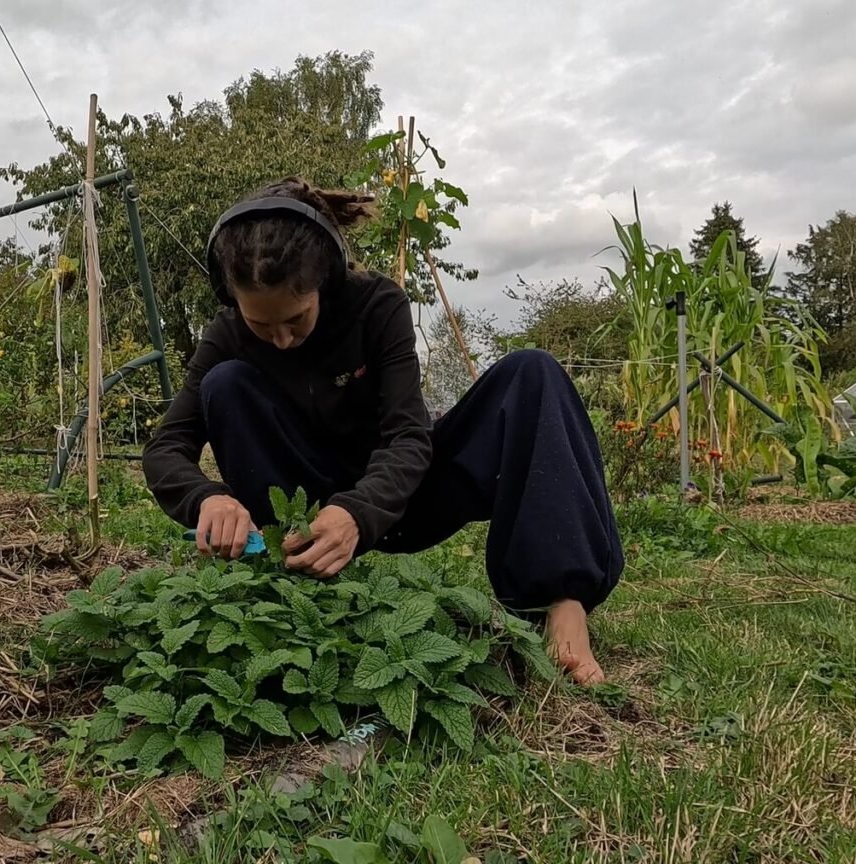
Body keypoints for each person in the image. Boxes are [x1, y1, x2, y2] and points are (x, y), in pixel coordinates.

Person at [141, 177, 623, 684]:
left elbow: (408, 437)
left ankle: (561, 601)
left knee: (533, 373)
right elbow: (166, 447)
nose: (281, 340)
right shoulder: (226, 335)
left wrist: (357, 511)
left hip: (401, 496)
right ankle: (283, 583)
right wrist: (208, 499)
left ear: (323, 279)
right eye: (263, 326)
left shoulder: (377, 305)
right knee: (225, 383)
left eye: (296, 318)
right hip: (304, 505)